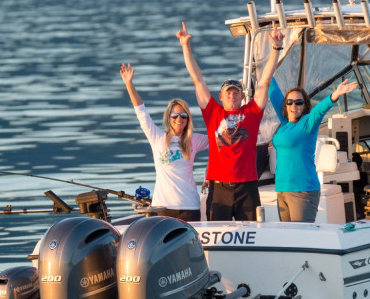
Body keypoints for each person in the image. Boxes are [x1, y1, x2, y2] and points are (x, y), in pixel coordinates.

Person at [176, 21, 281, 221]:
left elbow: (265, 81)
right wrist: (185, 47)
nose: (232, 96)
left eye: (236, 93)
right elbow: (197, 79)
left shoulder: (252, 112)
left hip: (247, 187)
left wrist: (276, 48)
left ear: (242, 97)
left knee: (252, 236)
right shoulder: (212, 112)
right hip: (219, 188)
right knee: (218, 237)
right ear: (221, 96)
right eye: (228, 93)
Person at [120, 63, 208, 221]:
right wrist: (129, 84)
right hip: (162, 207)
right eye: (175, 116)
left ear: (188, 119)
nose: (179, 119)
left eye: (183, 116)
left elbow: (221, 140)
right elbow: (141, 112)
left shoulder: (194, 139)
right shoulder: (157, 137)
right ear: (169, 118)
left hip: (190, 207)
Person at [269, 78, 358, 222]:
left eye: (299, 102)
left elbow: (321, 109)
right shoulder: (285, 122)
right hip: (282, 190)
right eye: (290, 102)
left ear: (305, 106)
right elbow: (273, 93)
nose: (294, 105)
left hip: (303, 191)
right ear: (285, 105)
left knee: (301, 238)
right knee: (288, 238)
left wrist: (336, 94)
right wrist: (264, 70)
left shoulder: (308, 123)